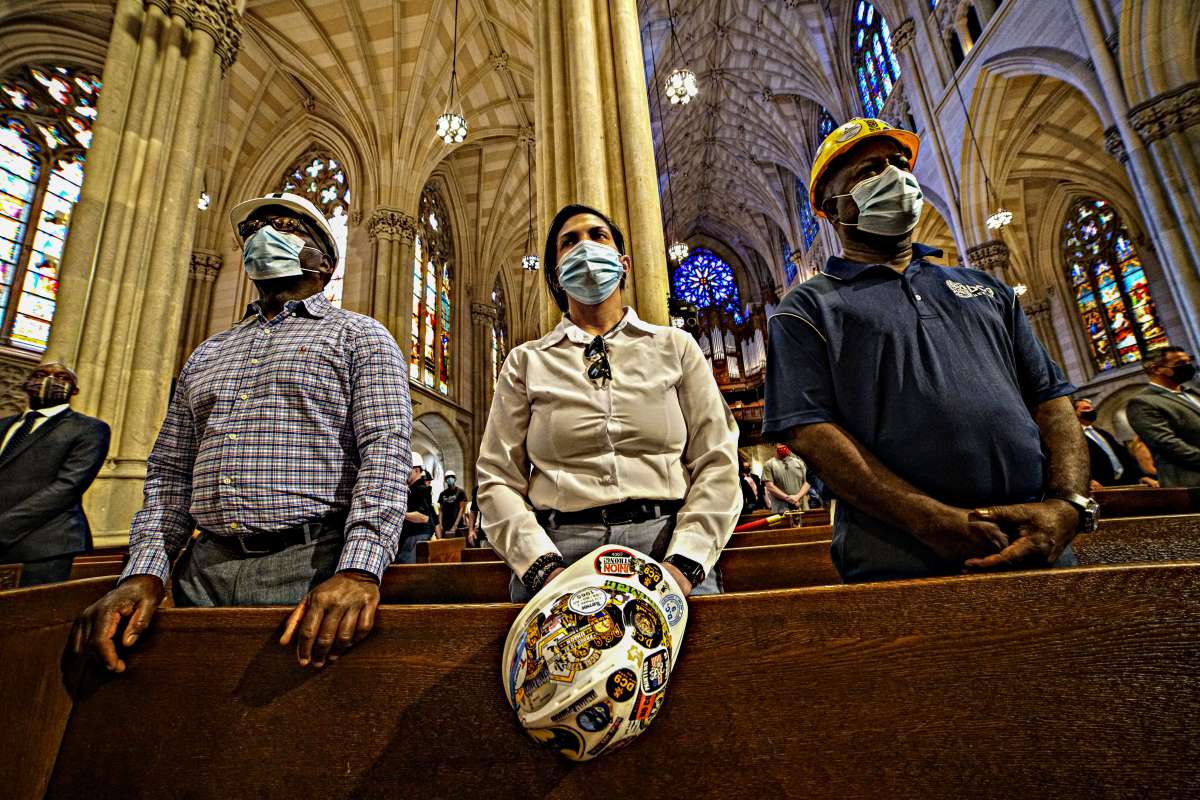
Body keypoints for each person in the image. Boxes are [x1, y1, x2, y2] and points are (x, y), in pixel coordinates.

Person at [71, 192, 412, 672]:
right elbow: (170, 470)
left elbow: (385, 453)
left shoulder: (359, 336)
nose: (260, 237)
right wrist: (145, 571)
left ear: (323, 259)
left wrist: (359, 570)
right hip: (201, 568)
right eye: (252, 230)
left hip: (309, 566)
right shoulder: (209, 352)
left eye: (280, 226)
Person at [763, 118, 1092, 583]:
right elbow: (810, 431)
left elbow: (1051, 398)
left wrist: (1067, 505)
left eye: (900, 164)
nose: (895, 177)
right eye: (869, 171)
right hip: (900, 556)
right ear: (830, 207)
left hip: (1035, 538)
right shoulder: (808, 307)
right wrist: (930, 519)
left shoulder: (986, 288)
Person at [476, 203, 741, 602]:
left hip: (668, 543)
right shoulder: (526, 361)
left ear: (624, 263)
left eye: (597, 236)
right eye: (569, 241)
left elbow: (717, 459)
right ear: (555, 274)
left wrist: (685, 563)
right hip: (562, 552)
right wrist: (543, 567)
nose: (585, 247)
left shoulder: (674, 346)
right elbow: (497, 477)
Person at [0, 363, 110, 586]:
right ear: (26, 383)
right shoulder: (3, 425)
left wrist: (3, 527)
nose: (49, 380)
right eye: (40, 375)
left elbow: (68, 486)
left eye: (62, 377)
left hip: (44, 543)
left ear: (75, 390)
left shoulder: (89, 428)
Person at [1126, 346, 1200, 487]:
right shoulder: (1143, 402)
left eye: (1188, 361)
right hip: (1191, 481)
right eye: (1179, 364)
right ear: (1156, 369)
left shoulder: (1192, 393)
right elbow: (1167, 443)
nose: (1188, 366)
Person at [1074, 397, 1157, 490]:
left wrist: (1141, 476)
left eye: (1091, 407)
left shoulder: (1102, 433)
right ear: (1075, 413)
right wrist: (1088, 481)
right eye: (1086, 408)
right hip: (1102, 487)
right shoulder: (1075, 437)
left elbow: (1123, 454)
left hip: (1125, 482)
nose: (1091, 410)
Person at [396, 466, 436, 563]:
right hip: (410, 537)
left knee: (407, 573)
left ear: (417, 470)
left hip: (416, 537)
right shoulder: (411, 489)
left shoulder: (421, 489)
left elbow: (423, 517)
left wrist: (398, 513)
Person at [762, 444, 810, 513]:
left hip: (801, 506)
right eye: (780, 445)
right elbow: (770, 486)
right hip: (781, 509)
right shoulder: (769, 464)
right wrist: (789, 499)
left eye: (785, 445)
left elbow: (808, 482)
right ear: (775, 446)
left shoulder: (799, 462)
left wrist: (797, 496)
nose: (783, 447)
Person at [435, 473, 468, 538]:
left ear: (455, 479)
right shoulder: (442, 494)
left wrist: (455, 526)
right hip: (446, 525)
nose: (450, 479)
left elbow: (461, 509)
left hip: (458, 525)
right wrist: (440, 525)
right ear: (445, 480)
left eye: (451, 477)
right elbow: (441, 510)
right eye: (448, 477)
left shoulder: (460, 492)